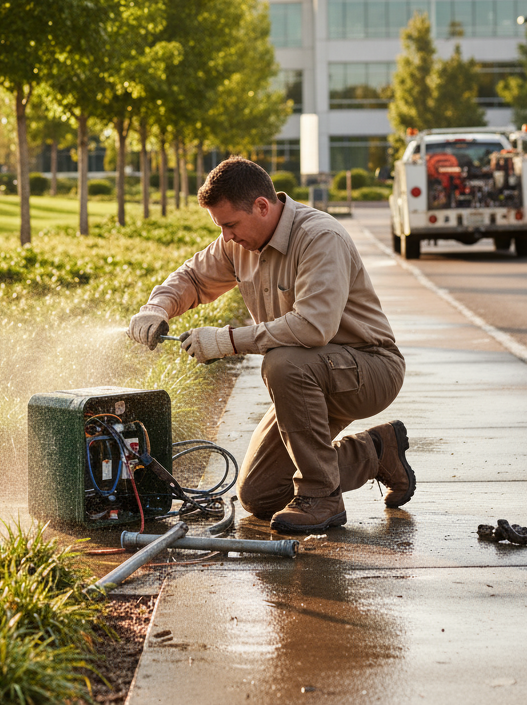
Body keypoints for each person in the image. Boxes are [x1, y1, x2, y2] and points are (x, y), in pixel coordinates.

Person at [127, 156, 415, 534]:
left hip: (369, 367)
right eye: (220, 227)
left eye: (230, 224)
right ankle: (378, 451)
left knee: (283, 363)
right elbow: (195, 277)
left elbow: (313, 328)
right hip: (311, 376)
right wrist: (157, 306)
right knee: (260, 495)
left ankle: (321, 496)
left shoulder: (318, 237)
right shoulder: (238, 245)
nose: (226, 236)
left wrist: (225, 341)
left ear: (262, 206)